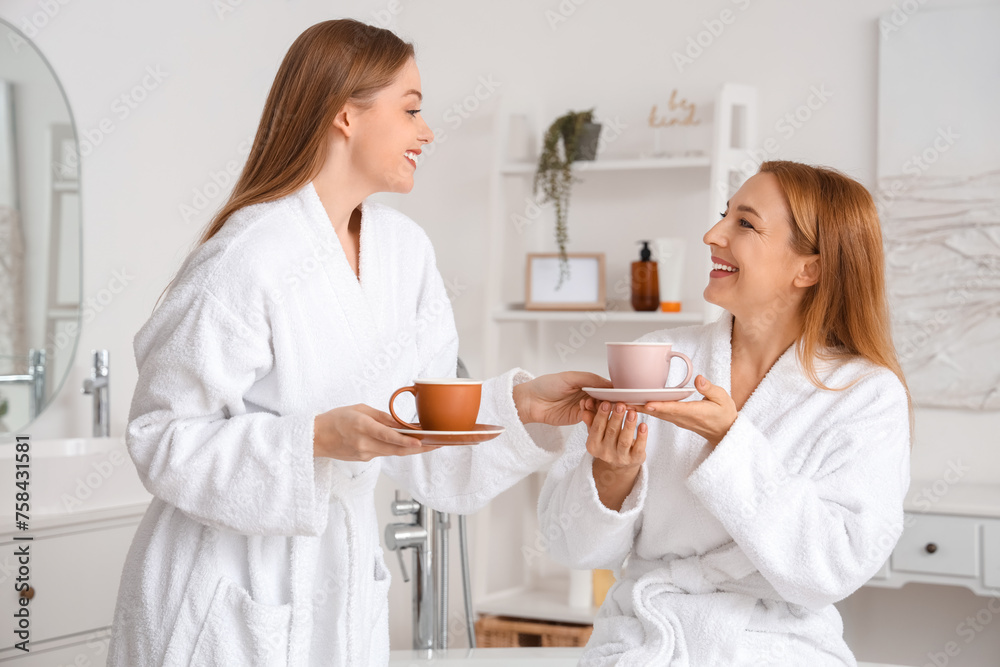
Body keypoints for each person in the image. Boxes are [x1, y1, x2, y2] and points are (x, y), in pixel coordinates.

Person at [107, 19, 606, 666]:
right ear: (347, 116)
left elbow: (425, 425)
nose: (427, 131)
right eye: (411, 110)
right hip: (225, 594)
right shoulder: (246, 259)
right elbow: (162, 436)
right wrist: (312, 439)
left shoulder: (405, 255)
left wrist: (525, 405)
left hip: (338, 593)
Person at [539, 161, 912, 666]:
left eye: (745, 223)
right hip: (643, 638)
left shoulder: (864, 394)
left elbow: (833, 567)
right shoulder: (660, 358)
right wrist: (611, 473)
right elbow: (571, 548)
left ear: (809, 268)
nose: (712, 234)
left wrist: (730, 442)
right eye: (724, 215)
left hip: (775, 648)